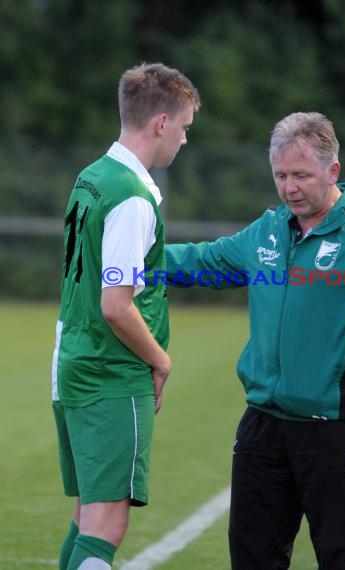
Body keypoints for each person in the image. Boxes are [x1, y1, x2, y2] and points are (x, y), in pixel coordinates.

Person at [165, 112, 345, 570]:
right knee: (251, 558)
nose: (289, 187)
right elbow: (203, 260)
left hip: (337, 429)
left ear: (333, 171)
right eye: (280, 175)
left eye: (301, 175)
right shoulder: (266, 229)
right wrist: (132, 259)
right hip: (263, 425)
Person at [51, 62, 200, 570]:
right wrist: (161, 360)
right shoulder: (133, 197)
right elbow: (116, 305)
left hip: (75, 357)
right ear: (161, 123)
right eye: (182, 128)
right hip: (109, 373)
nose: (183, 141)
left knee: (88, 515)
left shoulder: (92, 175)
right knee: (106, 525)